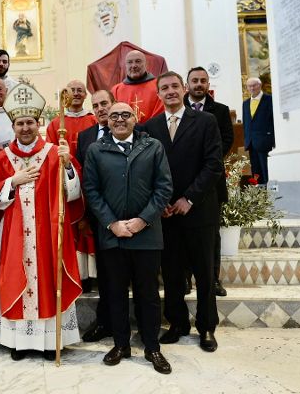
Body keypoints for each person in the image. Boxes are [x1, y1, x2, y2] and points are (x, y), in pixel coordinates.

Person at [0, 83, 83, 361]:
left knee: (49, 281)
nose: (25, 128)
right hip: (13, 235)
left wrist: (67, 166)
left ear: (38, 123)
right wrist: (11, 183)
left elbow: (73, 194)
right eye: (19, 123)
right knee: (16, 278)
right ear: (13, 126)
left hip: (48, 233)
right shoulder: (2, 158)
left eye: (29, 122)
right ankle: (18, 341)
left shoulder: (55, 152)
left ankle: (49, 342)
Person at [82, 102, 173, 374]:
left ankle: (152, 347)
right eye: (114, 116)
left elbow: (164, 187)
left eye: (125, 115)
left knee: (148, 295)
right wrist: (112, 224)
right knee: (116, 293)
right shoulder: (96, 150)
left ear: (135, 118)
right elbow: (91, 190)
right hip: (113, 237)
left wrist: (142, 220)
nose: (119, 119)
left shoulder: (153, 147)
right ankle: (121, 344)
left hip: (146, 236)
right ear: (107, 121)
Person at [143, 72, 223, 353]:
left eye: (175, 86)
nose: (171, 91)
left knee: (203, 273)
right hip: (166, 214)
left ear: (185, 88)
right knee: (173, 272)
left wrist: (189, 198)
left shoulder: (206, 121)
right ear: (158, 94)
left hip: (199, 210)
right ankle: (177, 323)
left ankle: (207, 327)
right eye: (164, 88)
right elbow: (147, 170)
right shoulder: (150, 127)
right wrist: (160, 202)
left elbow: (213, 165)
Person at [184, 67, 234, 297]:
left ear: (208, 84)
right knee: (181, 234)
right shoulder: (176, 109)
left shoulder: (220, 111)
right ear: (187, 84)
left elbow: (226, 141)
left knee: (211, 235)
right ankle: (184, 279)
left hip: (211, 182)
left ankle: (213, 279)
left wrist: (204, 163)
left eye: (203, 80)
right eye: (194, 80)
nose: (199, 84)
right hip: (182, 183)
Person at [46, 80, 97, 285]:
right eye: (71, 90)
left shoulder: (93, 120)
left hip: (90, 179)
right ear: (64, 95)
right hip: (66, 181)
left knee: (88, 227)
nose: (75, 93)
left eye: (79, 90)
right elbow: (50, 152)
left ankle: (90, 276)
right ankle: (71, 273)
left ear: (86, 95)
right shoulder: (56, 124)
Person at [76, 89, 115, 343]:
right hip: (98, 216)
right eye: (96, 105)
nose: (101, 108)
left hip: (128, 215)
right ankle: (106, 322)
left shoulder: (133, 131)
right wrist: (84, 215)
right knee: (105, 274)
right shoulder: (85, 136)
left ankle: (135, 323)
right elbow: (83, 178)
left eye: (105, 103)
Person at [111, 50, 164, 123]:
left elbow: (161, 113)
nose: (134, 66)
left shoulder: (159, 85)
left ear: (146, 64)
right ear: (125, 65)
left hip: (153, 131)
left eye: (138, 61)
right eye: (130, 62)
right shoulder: (116, 90)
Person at [242, 77, 274, 184]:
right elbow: (246, 123)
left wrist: (273, 139)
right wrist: (246, 139)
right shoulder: (245, 103)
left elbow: (273, 120)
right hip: (251, 143)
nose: (252, 88)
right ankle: (258, 197)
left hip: (265, 141)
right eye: (249, 86)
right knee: (256, 174)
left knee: (266, 172)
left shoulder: (269, 99)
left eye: (254, 85)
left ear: (259, 85)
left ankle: (269, 196)